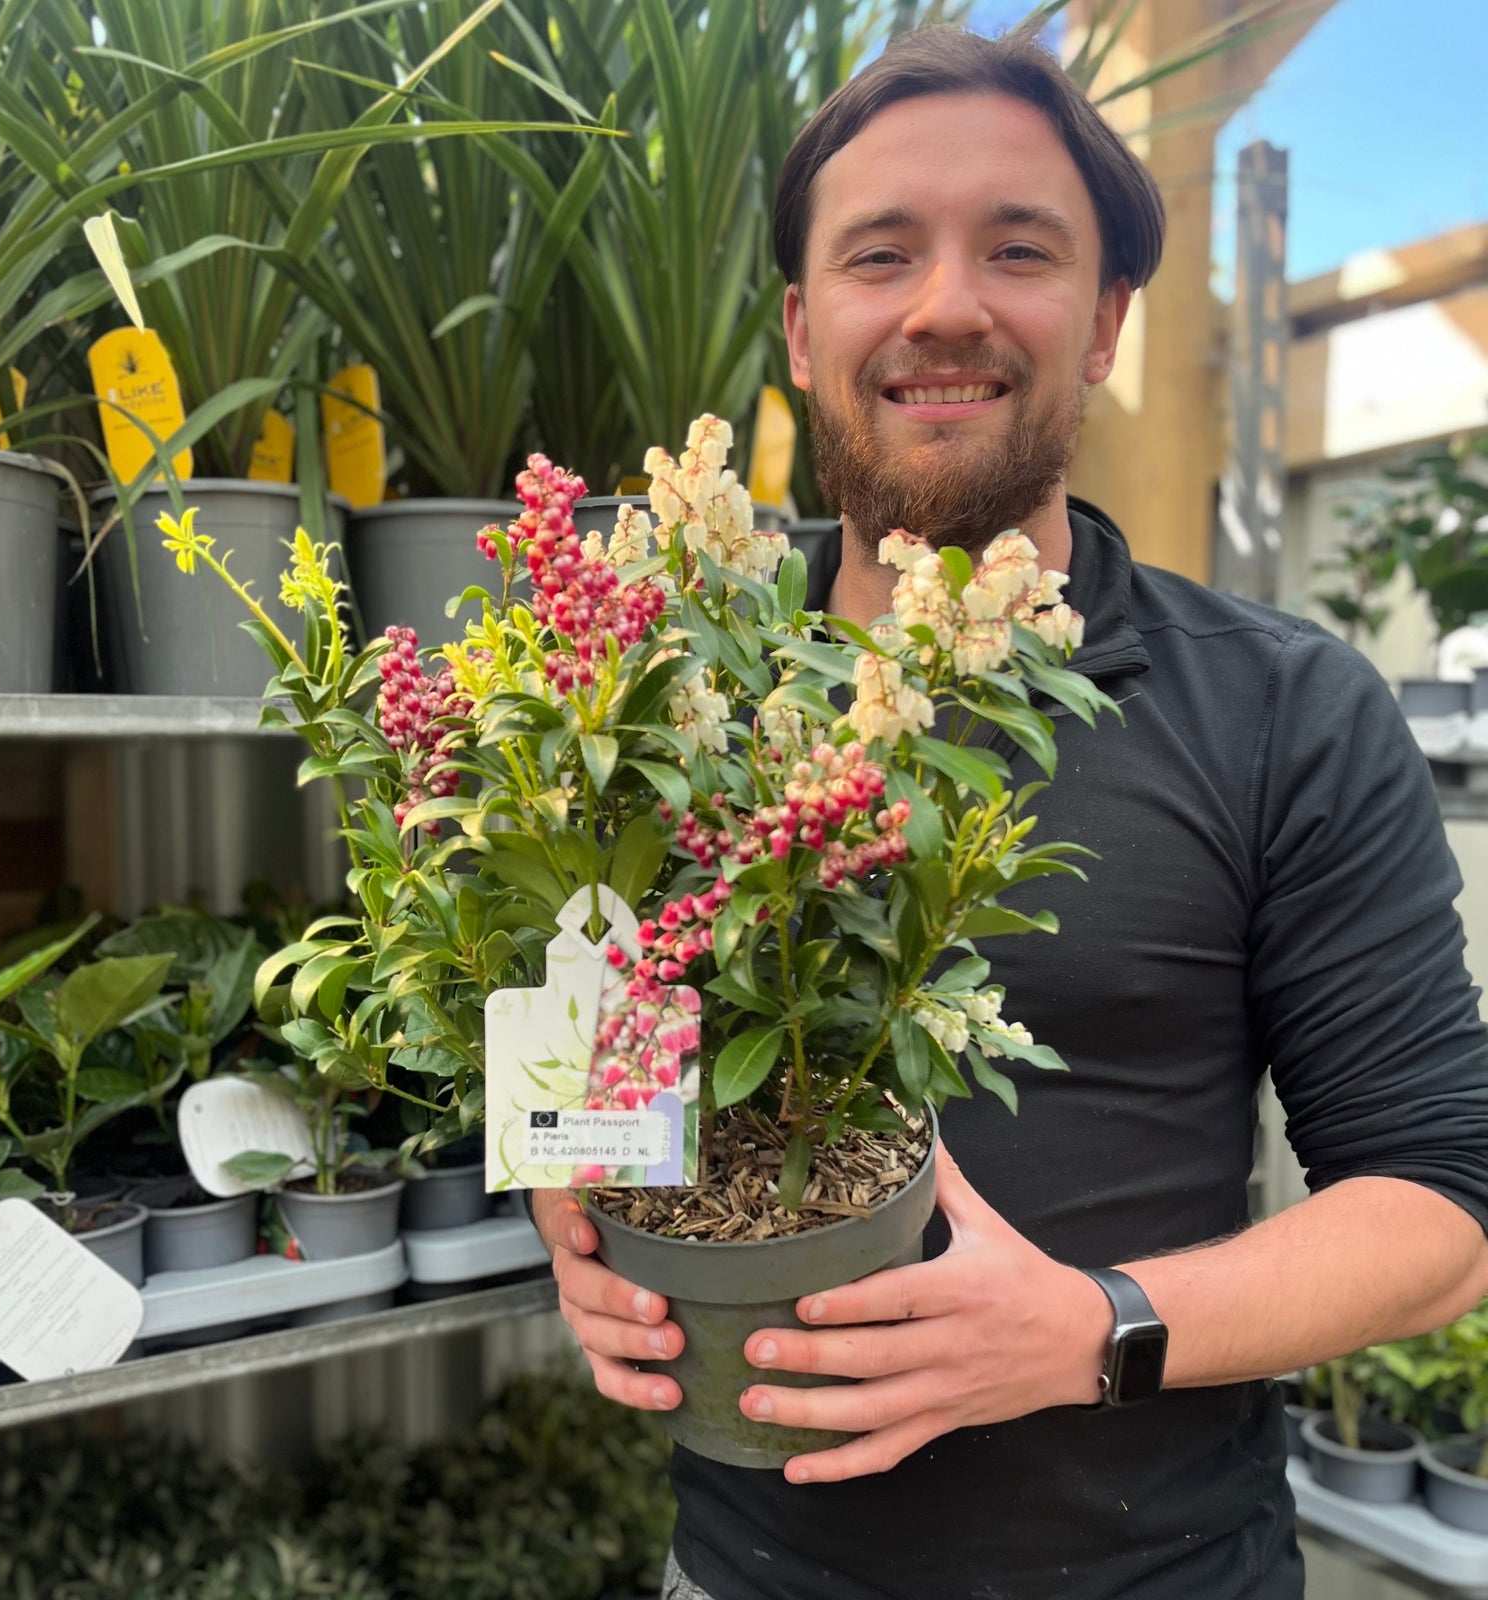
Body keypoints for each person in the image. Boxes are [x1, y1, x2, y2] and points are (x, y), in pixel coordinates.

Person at [531, 24, 1488, 1600]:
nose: (944, 305)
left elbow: (1438, 1211)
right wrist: (583, 1202)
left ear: (1108, 320)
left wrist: (1084, 1329)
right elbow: (590, 1004)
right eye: (879, 254)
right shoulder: (653, 690)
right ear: (797, 323)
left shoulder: (1278, 710)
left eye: (1019, 250)